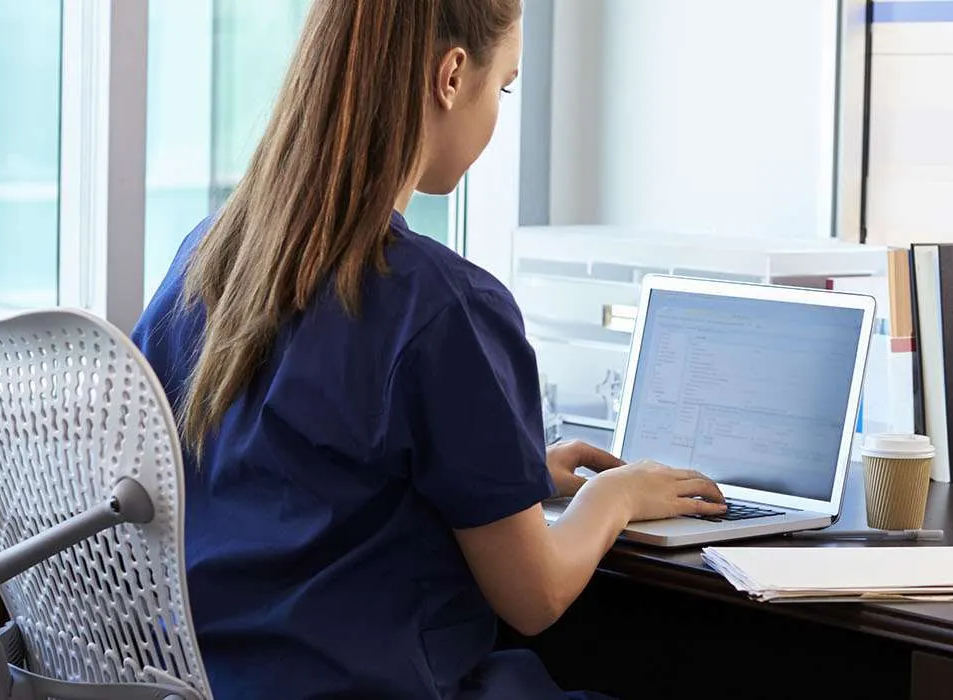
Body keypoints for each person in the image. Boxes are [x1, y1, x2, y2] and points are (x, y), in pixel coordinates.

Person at [130, 0, 728, 697]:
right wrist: (615, 497)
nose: (499, 112)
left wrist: (515, 475)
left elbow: (294, 475)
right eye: (503, 86)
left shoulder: (206, 258)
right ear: (451, 76)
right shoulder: (445, 307)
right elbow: (534, 598)